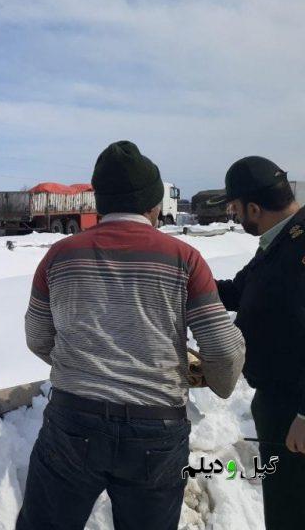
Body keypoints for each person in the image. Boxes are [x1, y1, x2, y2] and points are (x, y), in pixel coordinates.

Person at [16, 141, 245, 530]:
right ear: (154, 204)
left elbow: (38, 337)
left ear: (99, 204)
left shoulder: (59, 256)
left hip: (73, 424)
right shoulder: (184, 258)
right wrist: (219, 384)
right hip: (155, 433)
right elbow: (223, 351)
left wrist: (82, 367)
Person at [212, 156, 305, 530]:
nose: (235, 217)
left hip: (294, 409)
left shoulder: (299, 245)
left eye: (235, 209)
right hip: (279, 404)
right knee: (284, 507)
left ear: (254, 207)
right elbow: (240, 291)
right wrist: (186, 282)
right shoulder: (281, 239)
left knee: (292, 512)